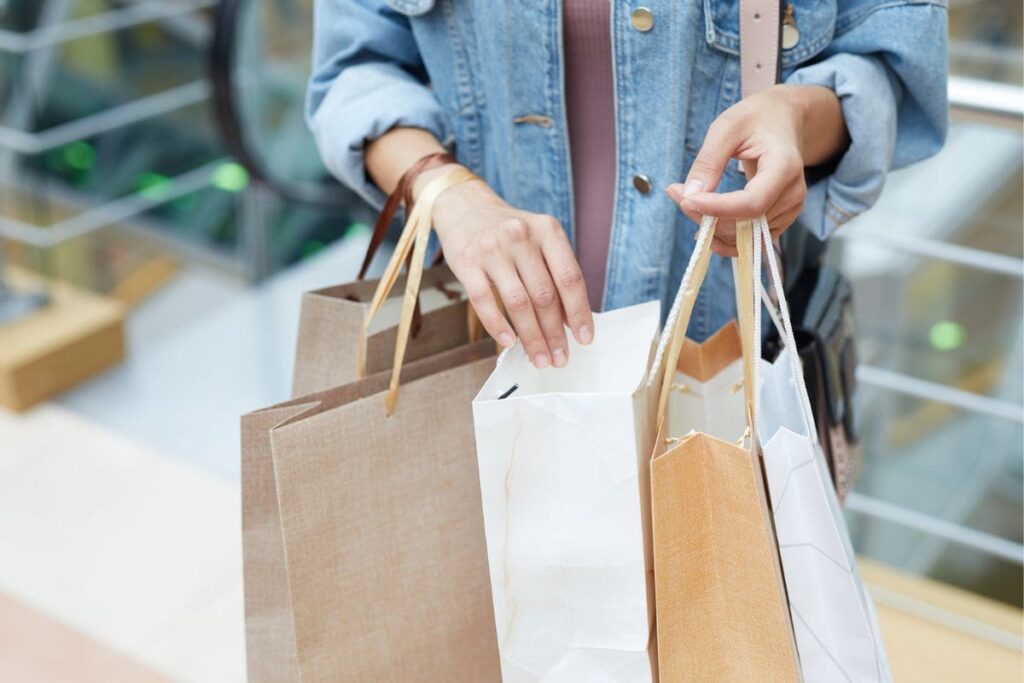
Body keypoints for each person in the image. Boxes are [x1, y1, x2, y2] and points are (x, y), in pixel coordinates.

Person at [307, 0, 947, 369]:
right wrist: (447, 189)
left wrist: (796, 118)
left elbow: (889, 63)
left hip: (726, 357)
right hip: (484, 347)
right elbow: (355, 68)